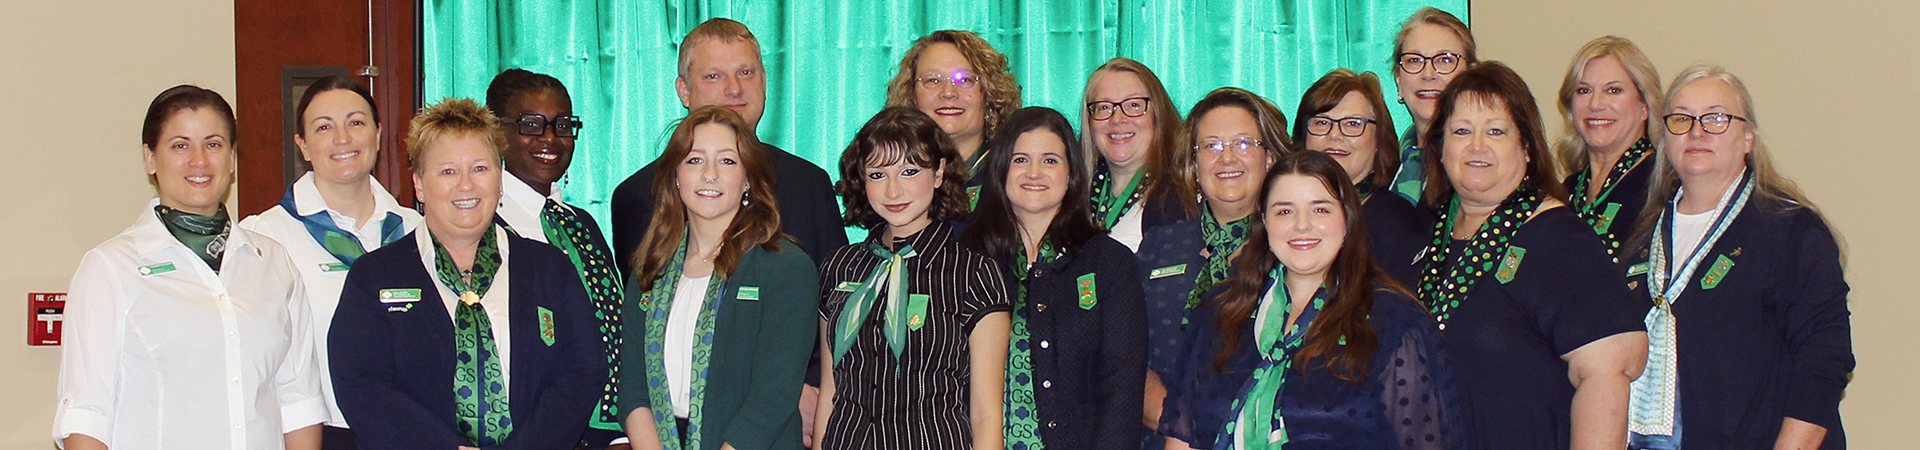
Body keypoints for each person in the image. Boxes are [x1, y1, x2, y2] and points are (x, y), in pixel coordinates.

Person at [55, 85, 325, 450]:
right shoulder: (110, 268)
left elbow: (299, 400)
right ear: (150, 159)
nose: (199, 161)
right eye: (180, 145)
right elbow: (87, 415)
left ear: (231, 159)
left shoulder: (273, 262)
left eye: (213, 145)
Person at [328, 98, 605, 449]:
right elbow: (361, 385)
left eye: (480, 168)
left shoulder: (551, 270)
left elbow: (581, 373)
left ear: (500, 177)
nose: (466, 186)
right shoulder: (374, 277)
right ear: (419, 184)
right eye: (447, 171)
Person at [1413, 62, 1648, 450]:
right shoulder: (1427, 242)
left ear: (1525, 147)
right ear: (1440, 147)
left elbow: (1611, 368)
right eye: (1461, 131)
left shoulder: (1560, 240)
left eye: (1495, 131)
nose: (1476, 146)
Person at [1619, 65, 1854, 450]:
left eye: (1716, 118)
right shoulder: (1641, 239)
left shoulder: (1790, 230)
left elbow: (1823, 363)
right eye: (1681, 119)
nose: (1697, 131)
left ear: (1748, 137)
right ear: (1664, 139)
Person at [1160, 151, 1462, 450]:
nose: (1302, 225)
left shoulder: (1395, 320)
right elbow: (1182, 441)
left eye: (1320, 210)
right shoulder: (1218, 312)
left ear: (1348, 218)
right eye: (1284, 211)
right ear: (1264, 222)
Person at [238, 75, 422, 450]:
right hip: (317, 435)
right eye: (324, 127)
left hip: (416, 432)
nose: (343, 138)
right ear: (302, 146)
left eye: (356, 122)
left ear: (379, 133)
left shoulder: (418, 231)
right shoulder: (263, 238)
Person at [620, 106, 819, 450]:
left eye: (727, 161)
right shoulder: (649, 268)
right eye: (695, 160)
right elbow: (633, 387)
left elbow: (771, 399)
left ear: (748, 179)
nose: (709, 174)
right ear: (675, 175)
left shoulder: (785, 268)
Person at [812, 107, 1012, 450]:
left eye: (909, 171)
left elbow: (986, 413)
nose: (893, 191)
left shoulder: (975, 273)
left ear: (938, 173)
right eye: (877, 174)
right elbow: (830, 393)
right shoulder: (839, 267)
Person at [959, 107, 1147, 449]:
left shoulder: (1109, 263)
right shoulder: (968, 262)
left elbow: (1122, 392)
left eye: (1049, 160)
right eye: (1020, 160)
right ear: (1000, 170)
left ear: (1071, 173)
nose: (1034, 173)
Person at [613, 18, 845, 273]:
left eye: (746, 73)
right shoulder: (642, 194)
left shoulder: (809, 184)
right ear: (684, 91)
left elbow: (834, 298)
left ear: (764, 81)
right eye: (714, 76)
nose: (734, 89)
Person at [481, 68, 629, 448]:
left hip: (611, 432)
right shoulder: (485, 229)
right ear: (497, 132)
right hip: (531, 432)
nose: (550, 138)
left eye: (563, 125)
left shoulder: (581, 224)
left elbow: (614, 327)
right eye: (531, 124)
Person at [1136, 87, 1292, 447]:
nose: (1227, 158)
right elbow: (1125, 357)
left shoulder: (1294, 250)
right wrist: (1184, 432)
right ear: (1193, 163)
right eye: (1212, 146)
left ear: (1269, 158)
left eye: (1243, 143)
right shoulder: (1159, 246)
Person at [1292, 68, 1432, 288]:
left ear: (1378, 139)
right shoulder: (1282, 216)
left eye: (1353, 124)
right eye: (1321, 122)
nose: (1334, 135)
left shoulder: (1398, 225)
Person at [1554, 36, 1663, 256]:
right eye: (1584, 91)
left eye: (1613, 90)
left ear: (1644, 105)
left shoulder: (1661, 187)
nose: (1595, 104)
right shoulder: (1567, 190)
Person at [885, 30, 1023, 201]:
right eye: (933, 80)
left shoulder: (1018, 177)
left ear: (989, 92)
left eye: (964, 80)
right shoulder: (890, 182)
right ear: (911, 94)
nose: (948, 93)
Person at [1080, 58, 1199, 251]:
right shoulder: (1070, 197)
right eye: (1104, 107)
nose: (1117, 119)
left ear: (1158, 114)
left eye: (1134, 105)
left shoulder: (1186, 198)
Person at [1386, 7, 1476, 202]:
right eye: (1414, 60)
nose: (1428, 74)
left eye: (1445, 60)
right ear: (1399, 80)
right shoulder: (1385, 170)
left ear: (1472, 75)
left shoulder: (1480, 164)